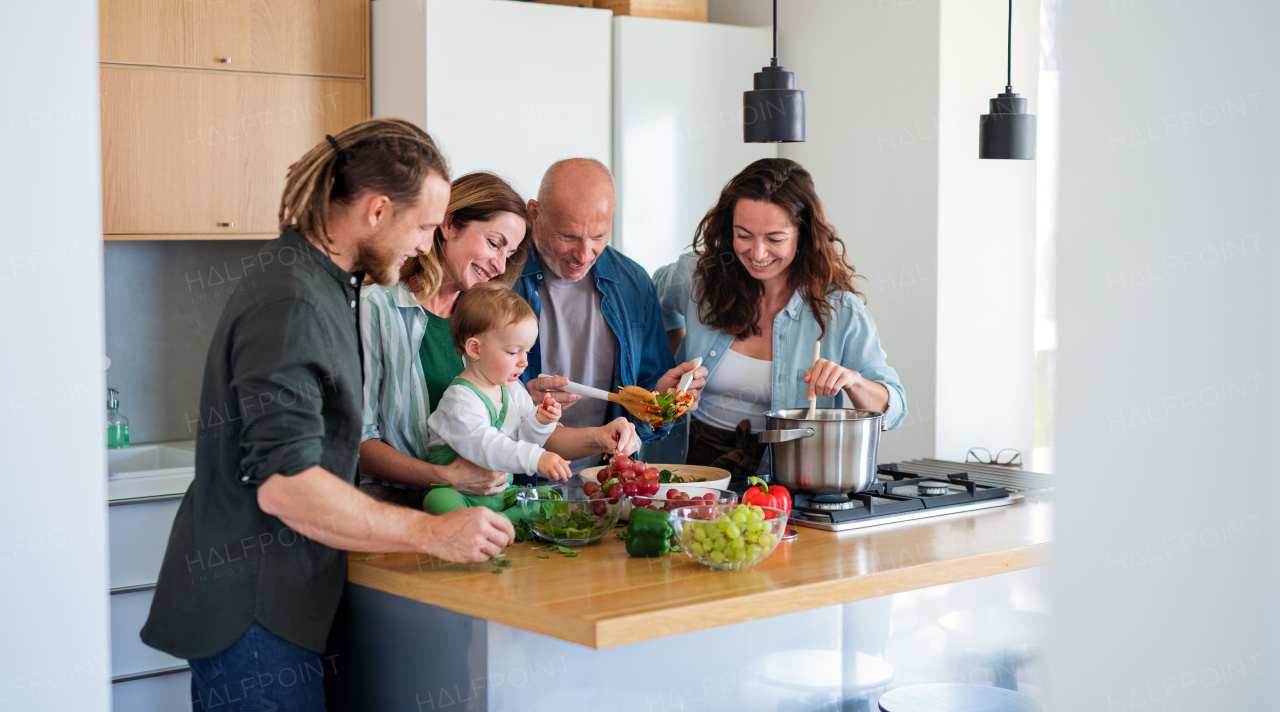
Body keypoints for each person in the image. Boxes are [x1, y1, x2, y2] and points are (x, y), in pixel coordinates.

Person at [141, 119, 516, 712]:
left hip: (279, 601)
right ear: (375, 210)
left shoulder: (321, 280)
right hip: (255, 610)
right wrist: (434, 530)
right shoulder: (294, 300)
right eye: (421, 226)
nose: (426, 244)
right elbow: (288, 487)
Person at [360, 171, 638, 504]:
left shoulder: (491, 322)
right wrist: (443, 477)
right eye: (494, 243)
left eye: (510, 253)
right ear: (448, 225)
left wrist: (602, 437)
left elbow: (526, 438)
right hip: (393, 506)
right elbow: (356, 442)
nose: (499, 264)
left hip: (478, 508)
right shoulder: (376, 309)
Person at [653, 158, 907, 477]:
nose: (758, 254)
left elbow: (894, 407)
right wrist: (671, 365)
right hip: (685, 462)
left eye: (775, 239)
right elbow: (650, 308)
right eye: (744, 235)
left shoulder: (840, 311)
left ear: (803, 235)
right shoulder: (695, 276)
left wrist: (853, 381)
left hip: (783, 476)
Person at [514, 158, 708, 473]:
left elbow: (647, 407)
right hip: (517, 484)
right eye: (569, 236)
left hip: (607, 485)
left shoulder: (633, 282)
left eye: (599, 236)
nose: (583, 253)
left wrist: (661, 404)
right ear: (534, 212)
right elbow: (470, 401)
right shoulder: (500, 277)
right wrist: (520, 402)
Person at [424, 281, 611, 521]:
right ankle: (495, 524)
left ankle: (501, 523)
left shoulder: (512, 390)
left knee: (548, 497)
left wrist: (539, 423)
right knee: (437, 500)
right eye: (513, 352)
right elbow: (486, 446)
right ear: (475, 349)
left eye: (527, 352)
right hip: (463, 496)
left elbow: (525, 438)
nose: (523, 362)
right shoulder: (460, 398)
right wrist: (537, 458)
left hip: (502, 494)